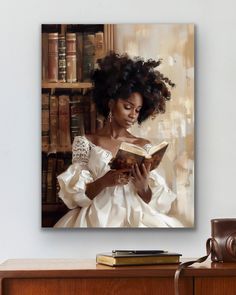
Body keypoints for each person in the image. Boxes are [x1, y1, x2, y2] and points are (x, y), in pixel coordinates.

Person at [54, 52, 183, 228]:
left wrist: (143, 187)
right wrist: (105, 181)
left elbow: (152, 201)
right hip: (95, 218)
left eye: (137, 110)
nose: (132, 115)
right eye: (128, 107)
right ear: (110, 103)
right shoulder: (86, 142)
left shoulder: (143, 146)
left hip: (137, 218)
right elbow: (75, 198)